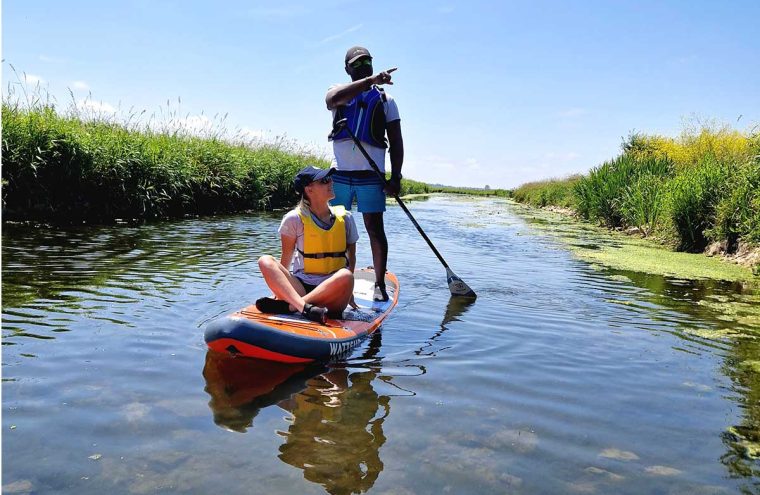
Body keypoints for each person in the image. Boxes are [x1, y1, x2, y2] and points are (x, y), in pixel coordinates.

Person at [325, 46, 403, 302]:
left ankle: (378, 284)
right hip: (340, 176)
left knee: (374, 229)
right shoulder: (338, 92)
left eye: (367, 62)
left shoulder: (386, 101)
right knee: (336, 230)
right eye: (356, 64)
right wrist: (370, 80)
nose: (363, 66)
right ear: (347, 69)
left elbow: (397, 142)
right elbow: (331, 101)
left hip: (371, 176)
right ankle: (334, 281)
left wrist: (396, 178)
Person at [256, 165, 358, 323]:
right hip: (301, 288)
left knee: (346, 275)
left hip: (334, 292)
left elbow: (352, 258)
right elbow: (286, 260)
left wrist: (349, 290)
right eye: (324, 180)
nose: (331, 182)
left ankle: (291, 307)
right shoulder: (293, 219)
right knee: (265, 261)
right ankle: (305, 308)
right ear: (309, 189)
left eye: (330, 178)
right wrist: (280, 290)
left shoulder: (346, 218)